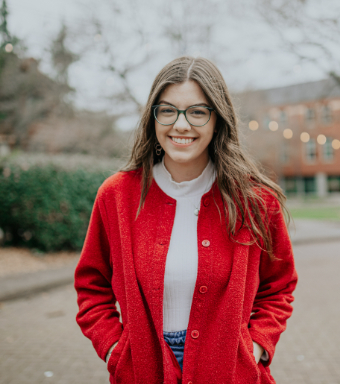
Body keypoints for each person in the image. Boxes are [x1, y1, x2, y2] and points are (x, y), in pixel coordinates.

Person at [74, 56, 298, 384]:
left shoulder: (254, 200)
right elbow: (91, 285)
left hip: (229, 372)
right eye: (167, 110)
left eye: (197, 112)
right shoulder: (117, 196)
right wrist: (115, 350)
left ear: (217, 120)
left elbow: (279, 285)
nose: (181, 125)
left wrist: (255, 346)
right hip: (143, 372)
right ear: (152, 118)